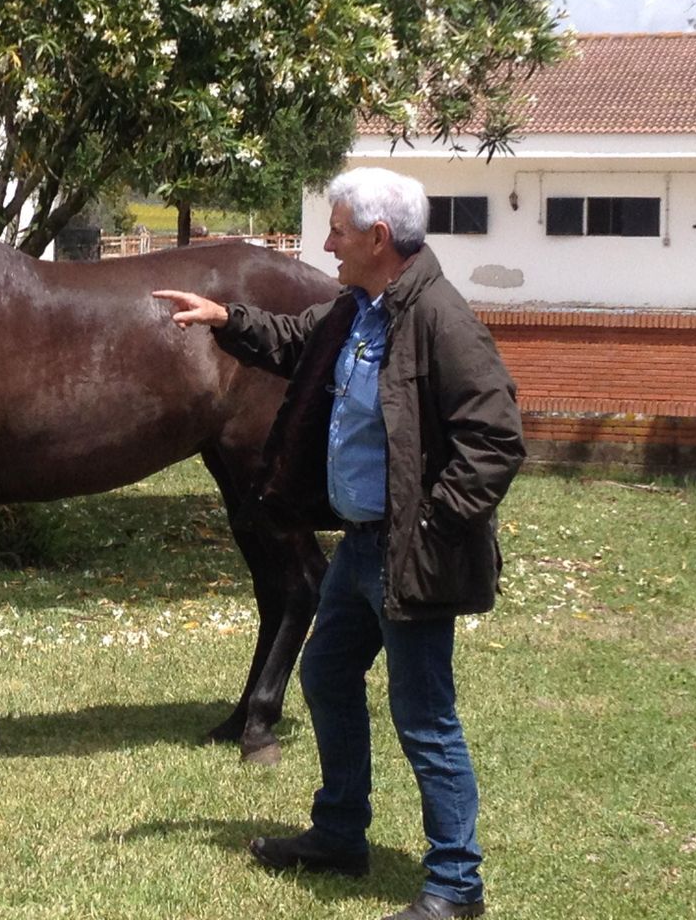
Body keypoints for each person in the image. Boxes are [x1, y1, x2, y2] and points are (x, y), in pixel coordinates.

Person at [154, 167, 524, 920]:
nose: (328, 246)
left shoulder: (441, 320)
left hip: (409, 553)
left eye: (339, 232)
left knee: (425, 717)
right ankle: (340, 834)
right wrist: (226, 318)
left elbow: (495, 440)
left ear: (379, 238)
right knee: (325, 674)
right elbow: (296, 341)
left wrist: (431, 528)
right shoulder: (359, 309)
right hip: (359, 549)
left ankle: (457, 884)